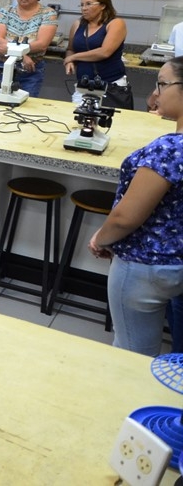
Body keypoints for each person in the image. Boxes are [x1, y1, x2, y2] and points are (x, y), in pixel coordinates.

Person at [89, 57, 183, 356]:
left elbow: (125, 218)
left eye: (163, 84)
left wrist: (101, 239)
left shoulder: (168, 150)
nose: (156, 94)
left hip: (145, 267)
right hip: (178, 263)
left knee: (133, 355)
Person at [63, 0, 133, 109]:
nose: (84, 8)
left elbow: (104, 52)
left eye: (89, 4)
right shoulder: (78, 24)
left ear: (103, 5)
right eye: (82, 5)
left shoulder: (116, 23)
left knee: (110, 124)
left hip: (111, 86)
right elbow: (70, 49)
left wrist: (73, 57)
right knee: (79, 122)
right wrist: (70, 60)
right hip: (84, 86)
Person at [0, 0, 58, 97]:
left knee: (27, 107)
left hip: (32, 69)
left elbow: (42, 44)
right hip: (5, 66)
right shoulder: (5, 11)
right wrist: (22, 56)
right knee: (1, 103)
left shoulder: (48, 13)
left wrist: (17, 52)